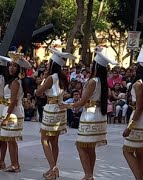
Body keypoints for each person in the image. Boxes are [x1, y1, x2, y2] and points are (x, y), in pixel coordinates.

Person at [60, 48, 116, 180]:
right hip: (99, 115)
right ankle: (90, 174)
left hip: (90, 115)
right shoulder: (103, 81)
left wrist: (67, 105)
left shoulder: (93, 81)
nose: (90, 66)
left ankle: (88, 175)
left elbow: (82, 101)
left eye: (92, 64)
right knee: (90, 147)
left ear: (96, 66)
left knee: (81, 145)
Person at [35, 47, 76, 179]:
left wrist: (43, 80)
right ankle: (53, 168)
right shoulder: (63, 77)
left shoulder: (51, 77)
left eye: (48, 63)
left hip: (51, 109)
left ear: (52, 64)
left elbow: (39, 92)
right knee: (54, 141)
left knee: (45, 140)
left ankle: (53, 169)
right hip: (60, 109)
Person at [0, 49, 31, 173]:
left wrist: (6, 117)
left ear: (19, 68)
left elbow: (12, 102)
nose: (11, 68)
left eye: (14, 66)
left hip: (13, 112)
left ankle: (15, 164)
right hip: (13, 111)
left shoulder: (15, 83)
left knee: (11, 140)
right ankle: (14, 164)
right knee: (11, 140)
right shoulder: (14, 81)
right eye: (10, 65)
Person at [122, 55, 143, 180]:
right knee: (141, 152)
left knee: (127, 150)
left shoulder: (138, 84)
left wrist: (130, 127)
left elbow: (139, 107)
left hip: (139, 120)